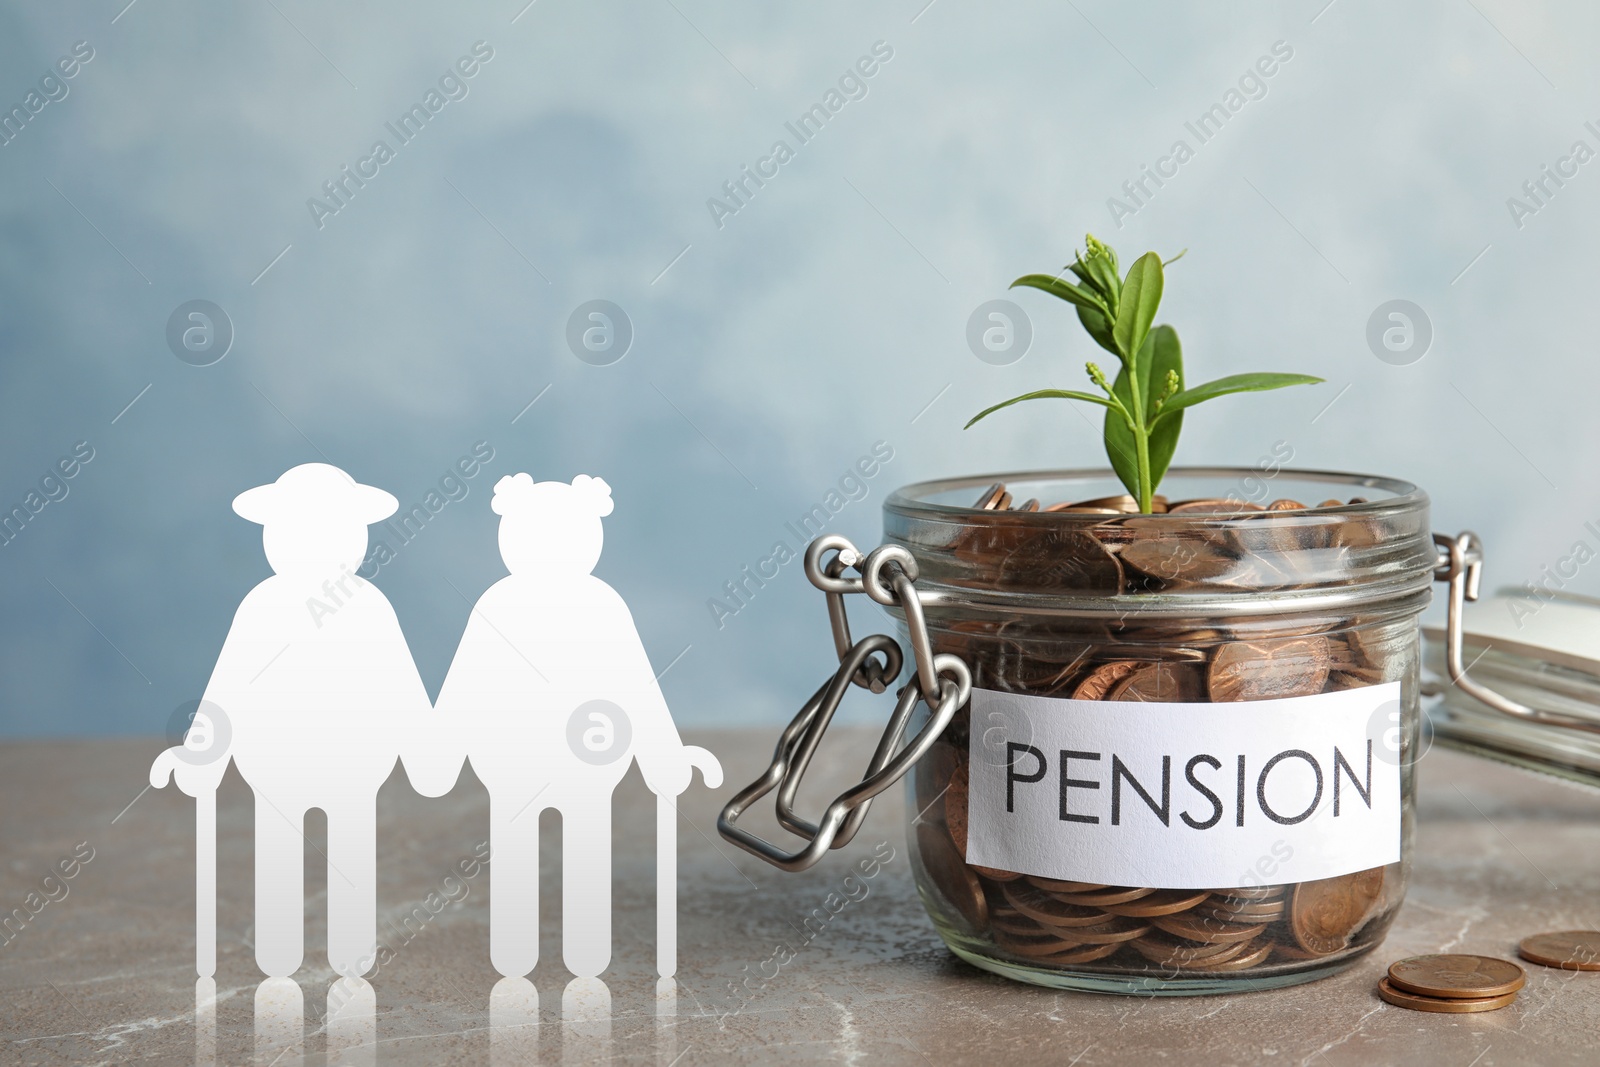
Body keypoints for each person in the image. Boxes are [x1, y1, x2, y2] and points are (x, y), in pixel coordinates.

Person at [422, 472, 717, 978]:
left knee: (583, 849)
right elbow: (468, 680)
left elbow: (634, 686)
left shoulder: (600, 606)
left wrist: (664, 756)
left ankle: (583, 956)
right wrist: (441, 752)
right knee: (519, 849)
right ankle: (517, 955)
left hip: (586, 762)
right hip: (516, 760)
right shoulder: (501, 606)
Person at [151, 463, 431, 978]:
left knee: (350, 849)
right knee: (280, 851)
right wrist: (198, 754)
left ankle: (349, 955)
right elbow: (229, 687)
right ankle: (279, 956)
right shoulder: (263, 606)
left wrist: (426, 752)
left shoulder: (368, 607)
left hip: (353, 764)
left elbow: (400, 683)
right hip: (277, 766)